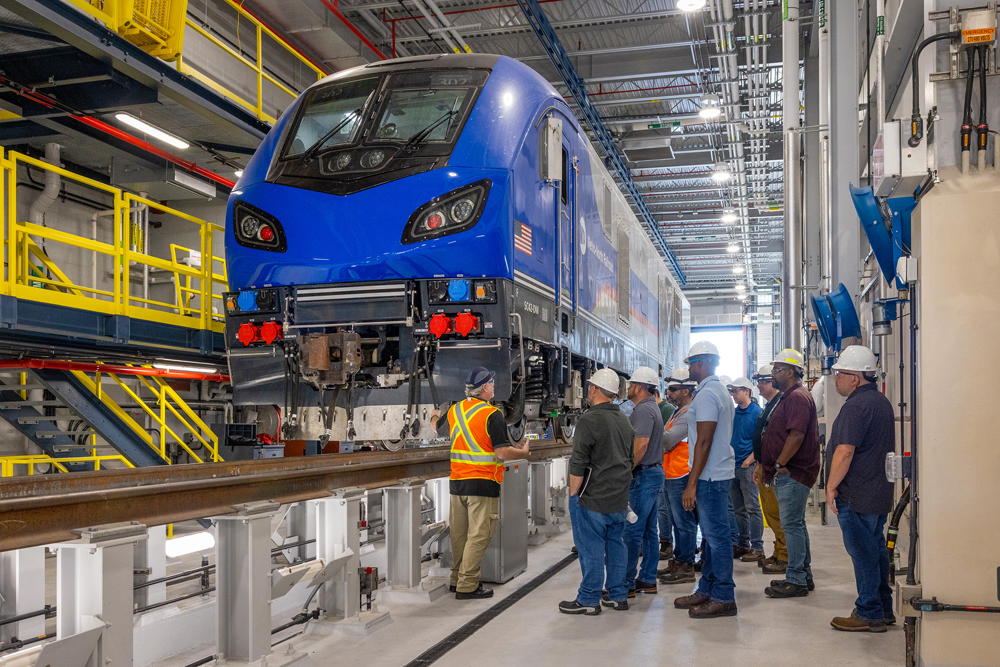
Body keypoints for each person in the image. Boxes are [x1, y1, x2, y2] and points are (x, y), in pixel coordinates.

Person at [436, 366, 530, 599]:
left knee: (459, 535)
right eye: (493, 384)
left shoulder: (456, 410)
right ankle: (467, 586)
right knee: (479, 535)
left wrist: (433, 416)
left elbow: (438, 428)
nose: (494, 388)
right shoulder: (492, 415)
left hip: (457, 483)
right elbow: (502, 453)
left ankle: (456, 579)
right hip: (482, 483)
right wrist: (523, 452)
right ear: (485, 387)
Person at [825, 346, 896, 632]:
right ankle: (883, 607)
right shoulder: (880, 401)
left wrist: (830, 486)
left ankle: (869, 612)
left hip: (856, 495)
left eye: (839, 374)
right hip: (876, 493)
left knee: (863, 554)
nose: (836, 379)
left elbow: (845, 451)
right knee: (875, 551)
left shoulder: (856, 406)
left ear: (854, 378)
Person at [559, 368, 635, 615]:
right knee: (616, 546)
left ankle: (589, 599)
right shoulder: (624, 418)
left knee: (590, 548)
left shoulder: (589, 420)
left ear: (594, 389)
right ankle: (617, 596)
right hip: (619, 498)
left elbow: (578, 462)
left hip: (592, 498)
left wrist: (574, 495)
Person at [673, 341, 738, 619]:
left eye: (691, 363)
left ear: (702, 363)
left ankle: (724, 595)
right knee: (712, 539)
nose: (689, 368)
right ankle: (708, 588)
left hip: (710, 477)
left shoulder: (709, 394)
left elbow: (704, 441)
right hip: (715, 474)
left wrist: (691, 483)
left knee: (718, 538)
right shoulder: (715, 391)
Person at [759, 350, 820, 599]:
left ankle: (795, 579)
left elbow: (796, 435)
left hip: (793, 472)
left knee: (791, 525)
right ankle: (803, 574)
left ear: (790, 372)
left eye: (777, 370)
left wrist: (779, 463)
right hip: (791, 471)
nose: (773, 374)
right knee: (796, 524)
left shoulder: (797, 397)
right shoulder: (790, 396)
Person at [623, 366, 666, 597]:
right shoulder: (653, 408)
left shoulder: (641, 410)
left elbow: (640, 444)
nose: (628, 388)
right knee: (649, 530)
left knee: (632, 530)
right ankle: (647, 579)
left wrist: (627, 469)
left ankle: (626, 583)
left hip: (643, 475)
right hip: (654, 473)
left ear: (639, 387)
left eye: (630, 385)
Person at [657, 369, 699, 586]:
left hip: (681, 474)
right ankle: (679, 559)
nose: (669, 393)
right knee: (676, 521)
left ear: (687, 389)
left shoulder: (689, 413)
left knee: (684, 522)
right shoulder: (677, 412)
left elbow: (666, 440)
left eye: (673, 389)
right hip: (672, 473)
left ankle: (686, 565)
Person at [752, 364, 788, 571]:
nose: (759, 386)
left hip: (775, 469)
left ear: (773, 383)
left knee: (776, 513)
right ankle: (777, 552)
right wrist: (759, 464)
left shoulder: (780, 404)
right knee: (770, 512)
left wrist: (776, 464)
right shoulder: (769, 406)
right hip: (764, 466)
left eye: (763, 382)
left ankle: (785, 556)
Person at [726, 377, 764, 561]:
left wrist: (750, 461)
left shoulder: (758, 413)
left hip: (747, 466)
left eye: (735, 391)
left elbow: (763, 441)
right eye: (731, 391)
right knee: (738, 509)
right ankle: (743, 544)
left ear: (746, 391)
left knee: (752, 508)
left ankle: (757, 547)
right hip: (733, 466)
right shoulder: (733, 414)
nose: (732, 394)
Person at [654, 386, 676, 559]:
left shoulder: (667, 410)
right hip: (661, 464)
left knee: (664, 508)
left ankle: (666, 542)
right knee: (660, 507)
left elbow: (669, 440)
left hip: (669, 466)